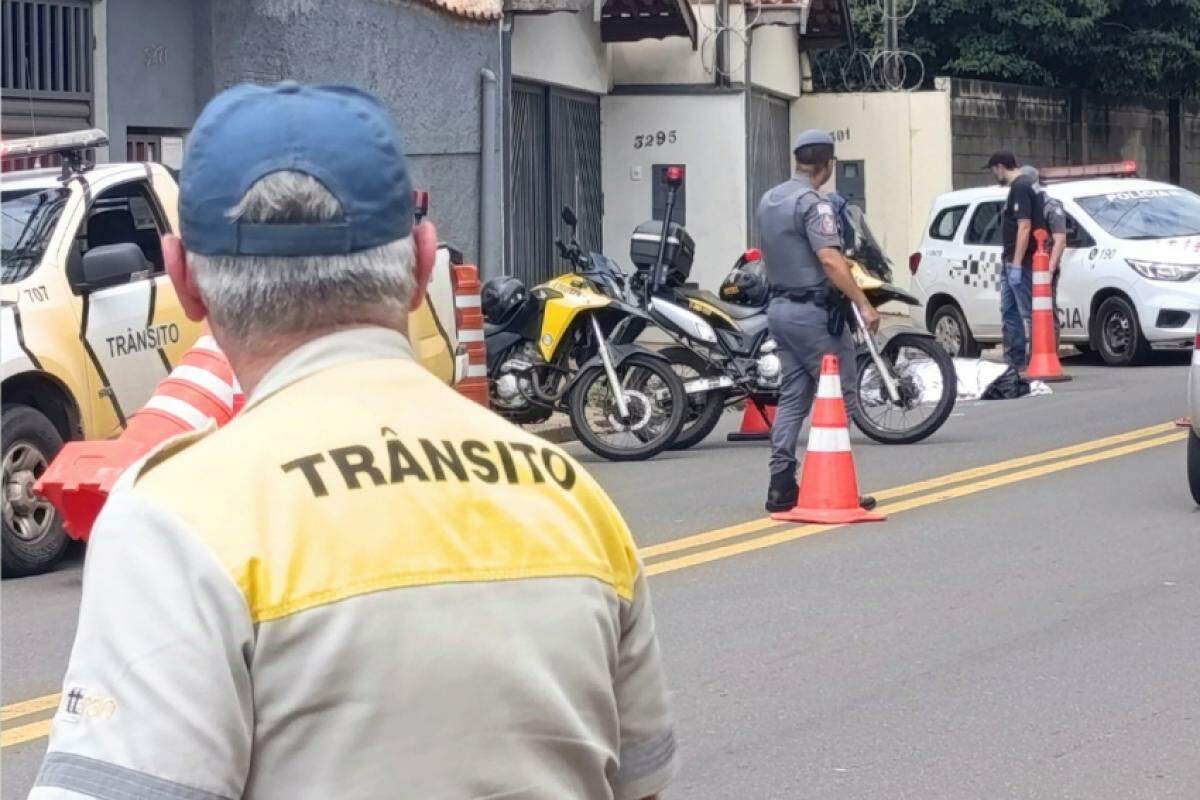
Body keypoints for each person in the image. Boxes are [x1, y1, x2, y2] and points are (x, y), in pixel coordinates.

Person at [29, 82, 675, 800]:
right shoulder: (571, 497)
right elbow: (641, 781)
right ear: (422, 263)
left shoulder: (177, 519)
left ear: (184, 280)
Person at [757, 129, 880, 514]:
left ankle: (781, 484)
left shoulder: (770, 199)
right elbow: (829, 258)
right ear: (826, 166)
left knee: (793, 397)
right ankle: (831, 484)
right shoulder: (814, 204)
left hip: (779, 308)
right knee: (838, 397)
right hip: (814, 314)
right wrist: (863, 302)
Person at [987, 151, 1047, 368]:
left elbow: (1024, 226)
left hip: (1019, 260)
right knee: (1009, 310)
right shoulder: (1024, 185)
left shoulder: (1021, 187)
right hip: (1011, 259)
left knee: (1026, 311)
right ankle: (1014, 359)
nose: (995, 175)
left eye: (994, 170)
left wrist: (1018, 263)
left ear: (1000, 167)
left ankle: (1035, 358)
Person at [1020, 165, 1069, 343]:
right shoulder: (1022, 206)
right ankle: (1033, 355)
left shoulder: (1050, 206)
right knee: (1028, 312)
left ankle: (1049, 353)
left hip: (1043, 266)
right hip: (1025, 265)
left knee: (1047, 310)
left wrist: (1049, 270)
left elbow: (1060, 240)